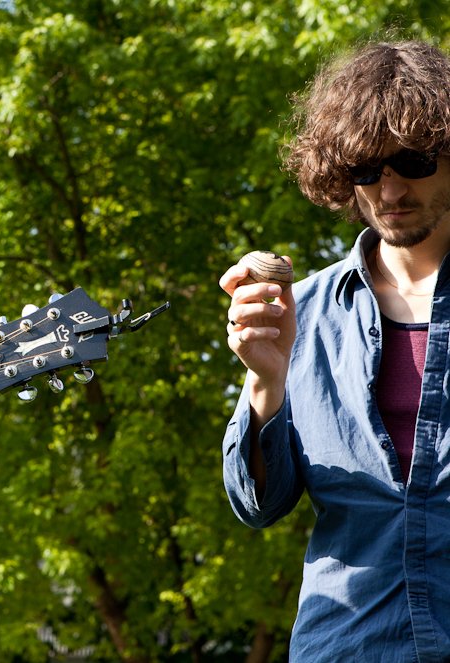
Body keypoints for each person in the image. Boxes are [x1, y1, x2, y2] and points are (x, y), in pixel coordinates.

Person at [220, 40, 450, 660]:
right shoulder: (304, 313)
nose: (390, 190)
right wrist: (265, 383)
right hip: (348, 645)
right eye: (367, 170)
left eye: (412, 160)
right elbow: (258, 506)